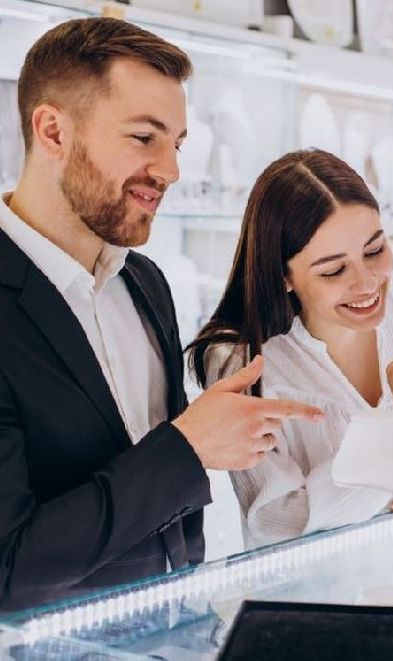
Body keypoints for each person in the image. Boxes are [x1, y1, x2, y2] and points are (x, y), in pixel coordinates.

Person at [0, 18, 322, 612]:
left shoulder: (146, 283)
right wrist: (188, 446)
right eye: (144, 138)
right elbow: (8, 568)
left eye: (176, 144)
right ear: (52, 131)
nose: (171, 170)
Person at [188, 149, 393, 548]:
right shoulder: (241, 361)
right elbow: (279, 518)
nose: (366, 283)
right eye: (333, 270)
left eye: (375, 250)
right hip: (321, 597)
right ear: (284, 276)